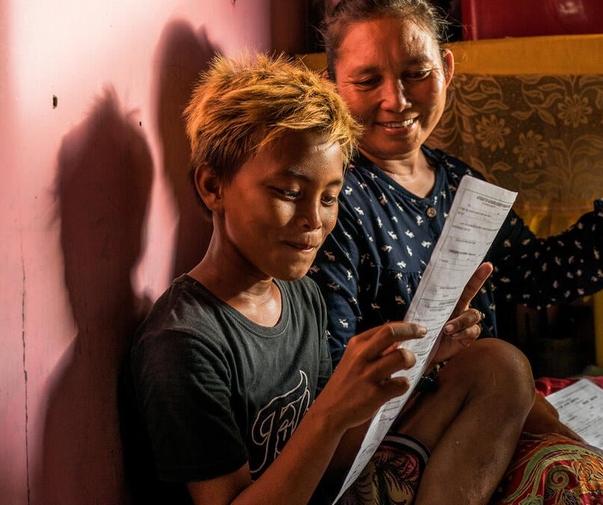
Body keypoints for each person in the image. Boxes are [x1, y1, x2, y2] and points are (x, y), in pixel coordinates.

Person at [117, 52, 540, 505]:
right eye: (289, 193)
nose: (312, 221)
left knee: (500, 367)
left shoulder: (300, 294)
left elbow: (332, 459)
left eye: (329, 197)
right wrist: (331, 411)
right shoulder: (184, 343)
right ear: (213, 187)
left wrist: (420, 356)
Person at [308, 0, 603, 367]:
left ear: (446, 69)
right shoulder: (332, 201)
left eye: (416, 74)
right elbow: (333, 370)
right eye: (366, 81)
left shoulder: (460, 184)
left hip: (484, 403)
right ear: (331, 87)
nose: (396, 99)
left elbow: (540, 276)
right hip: (397, 427)